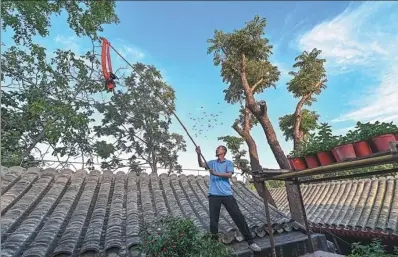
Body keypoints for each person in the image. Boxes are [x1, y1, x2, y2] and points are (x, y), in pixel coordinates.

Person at [196, 145, 261, 252]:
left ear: (224, 151)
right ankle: (213, 245)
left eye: (219, 148)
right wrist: (198, 154)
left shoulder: (228, 163)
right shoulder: (212, 162)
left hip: (227, 195)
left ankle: (251, 242)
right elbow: (201, 164)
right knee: (213, 221)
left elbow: (229, 175)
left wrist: (215, 173)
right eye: (217, 148)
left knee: (239, 217)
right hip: (214, 195)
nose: (216, 149)